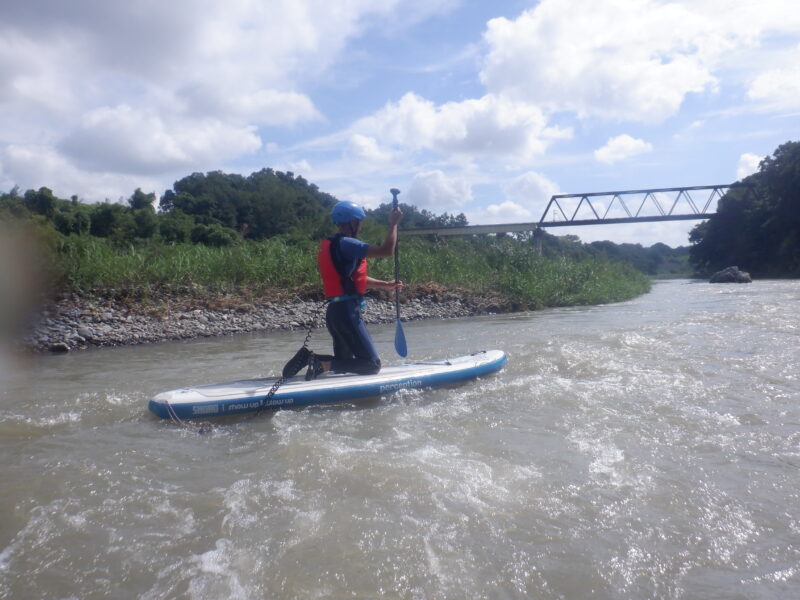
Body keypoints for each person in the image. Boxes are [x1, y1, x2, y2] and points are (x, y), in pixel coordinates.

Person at [302, 200, 403, 380]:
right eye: (360, 221)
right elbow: (386, 250)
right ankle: (321, 363)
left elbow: (354, 280)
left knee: (344, 362)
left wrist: (384, 284)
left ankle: (311, 359)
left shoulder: (332, 244)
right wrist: (393, 224)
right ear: (352, 221)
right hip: (347, 313)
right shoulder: (348, 243)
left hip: (334, 313)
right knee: (371, 364)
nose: (361, 225)